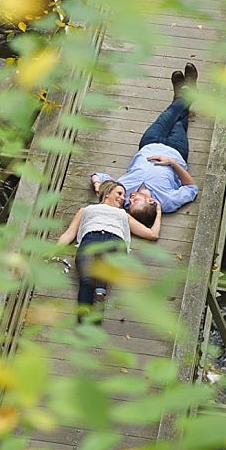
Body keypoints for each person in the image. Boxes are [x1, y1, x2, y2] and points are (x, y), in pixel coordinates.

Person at [90, 63, 200, 228]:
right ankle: (185, 95)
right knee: (178, 121)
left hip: (149, 143)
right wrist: (172, 163)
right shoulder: (167, 201)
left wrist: (98, 186)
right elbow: (191, 189)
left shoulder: (123, 193)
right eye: (136, 201)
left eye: (130, 204)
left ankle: (184, 97)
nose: (131, 199)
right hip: (176, 150)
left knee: (169, 115)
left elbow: (99, 175)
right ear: (151, 201)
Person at [57, 180, 161, 322]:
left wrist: (159, 212)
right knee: (86, 280)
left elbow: (152, 234)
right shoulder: (86, 210)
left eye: (123, 195)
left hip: (114, 240)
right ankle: (85, 320)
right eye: (119, 193)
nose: (122, 198)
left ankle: (100, 292)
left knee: (103, 265)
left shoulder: (123, 215)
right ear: (107, 193)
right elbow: (69, 234)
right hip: (90, 239)